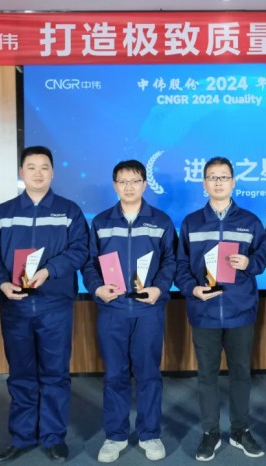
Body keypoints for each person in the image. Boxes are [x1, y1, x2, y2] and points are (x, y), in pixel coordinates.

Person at [0, 146, 89, 464]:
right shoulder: (2, 213)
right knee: (21, 374)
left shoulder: (69, 212)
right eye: (32, 167)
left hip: (55, 305)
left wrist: (49, 270)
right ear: (21, 172)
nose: (38, 173)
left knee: (55, 374)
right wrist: (1, 282)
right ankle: (22, 437)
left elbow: (81, 249)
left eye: (44, 167)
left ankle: (53, 437)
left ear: (53, 172)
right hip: (16, 307)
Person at [81, 160, 177, 463]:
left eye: (135, 181)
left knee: (149, 374)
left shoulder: (161, 220)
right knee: (115, 375)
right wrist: (97, 288)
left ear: (144, 184)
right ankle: (116, 435)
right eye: (122, 181)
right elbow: (89, 262)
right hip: (113, 309)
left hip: (148, 310)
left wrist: (160, 288)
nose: (129, 187)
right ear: (114, 185)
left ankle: (149, 434)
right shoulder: (101, 222)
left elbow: (171, 261)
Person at [175, 157, 266, 462]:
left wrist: (249, 262)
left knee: (241, 373)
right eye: (212, 177)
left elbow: (263, 257)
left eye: (224, 177)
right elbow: (179, 265)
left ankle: (240, 431)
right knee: (207, 375)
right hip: (204, 311)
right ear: (204, 183)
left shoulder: (250, 221)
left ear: (233, 182)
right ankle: (210, 432)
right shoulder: (191, 222)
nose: (218, 182)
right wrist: (192, 289)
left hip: (240, 310)